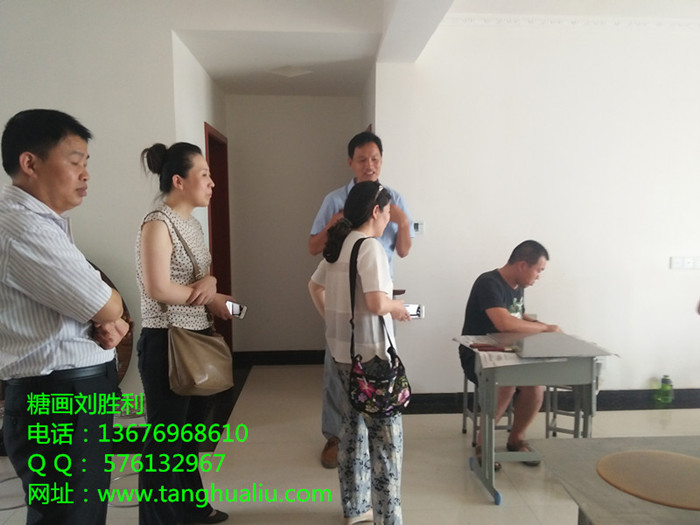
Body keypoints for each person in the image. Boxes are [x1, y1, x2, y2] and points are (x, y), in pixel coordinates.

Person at [0, 109, 129, 524]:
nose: (85, 174)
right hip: (58, 400)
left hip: (71, 394)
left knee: (80, 513)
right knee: (68, 516)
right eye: (75, 161)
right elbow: (106, 304)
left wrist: (110, 318)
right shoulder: (23, 227)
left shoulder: (44, 224)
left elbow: (96, 308)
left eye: (86, 163)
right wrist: (111, 311)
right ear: (30, 162)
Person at [136, 142, 233, 525]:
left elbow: (196, 280)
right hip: (167, 341)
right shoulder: (157, 223)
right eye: (204, 174)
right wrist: (209, 293)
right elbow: (158, 287)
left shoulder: (191, 224)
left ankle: (192, 508)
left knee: (188, 438)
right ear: (179, 181)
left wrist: (211, 284)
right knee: (165, 444)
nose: (212, 183)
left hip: (195, 337)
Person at [309, 131, 414, 469]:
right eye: (362, 159)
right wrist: (335, 223)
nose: (370, 165)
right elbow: (314, 247)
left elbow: (403, 250)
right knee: (343, 375)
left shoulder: (394, 200)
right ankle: (335, 437)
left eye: (375, 159)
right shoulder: (336, 202)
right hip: (353, 297)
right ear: (350, 162)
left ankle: (356, 443)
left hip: (378, 293)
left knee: (360, 374)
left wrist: (402, 220)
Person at [458, 240, 560, 470]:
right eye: (538, 270)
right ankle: (484, 444)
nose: (539, 277)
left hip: (508, 353)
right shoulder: (488, 283)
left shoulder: (518, 285)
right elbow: (504, 323)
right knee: (505, 383)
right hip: (477, 355)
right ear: (522, 265)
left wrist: (545, 326)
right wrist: (545, 329)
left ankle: (516, 439)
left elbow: (518, 317)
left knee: (536, 387)